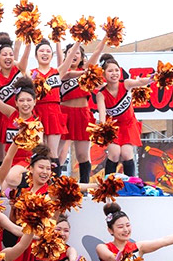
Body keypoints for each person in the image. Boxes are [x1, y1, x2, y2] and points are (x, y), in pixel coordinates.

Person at [57, 39, 107, 183]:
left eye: (77, 53)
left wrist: (105, 37)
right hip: (64, 114)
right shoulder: (62, 69)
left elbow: (97, 52)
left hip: (82, 115)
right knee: (59, 155)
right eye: (70, 53)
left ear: (81, 56)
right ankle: (54, 185)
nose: (74, 55)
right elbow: (64, 71)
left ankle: (84, 188)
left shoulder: (85, 69)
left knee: (82, 155)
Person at [95, 54, 153, 176]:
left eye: (117, 70)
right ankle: (109, 184)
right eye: (110, 71)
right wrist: (102, 127)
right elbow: (102, 114)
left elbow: (140, 82)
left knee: (127, 154)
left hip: (128, 125)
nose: (114, 73)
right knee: (114, 154)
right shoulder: (101, 94)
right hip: (113, 127)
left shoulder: (126, 84)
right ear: (104, 74)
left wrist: (153, 79)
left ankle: (130, 184)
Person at [30, 40, 79, 172]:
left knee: (52, 153)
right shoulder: (31, 74)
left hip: (53, 113)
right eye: (41, 51)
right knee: (39, 151)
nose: (45, 53)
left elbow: (69, 58)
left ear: (52, 55)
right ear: (35, 55)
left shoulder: (58, 71)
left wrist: (79, 40)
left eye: (48, 51)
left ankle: (55, 185)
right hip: (37, 112)